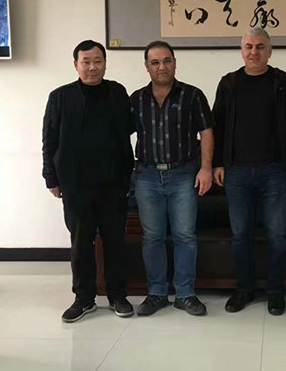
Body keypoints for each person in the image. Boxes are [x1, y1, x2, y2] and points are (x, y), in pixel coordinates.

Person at [212, 27, 286, 316]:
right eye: (249, 46)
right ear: (241, 51)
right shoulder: (228, 83)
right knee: (241, 234)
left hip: (275, 171)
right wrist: (217, 163)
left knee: (277, 234)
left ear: (270, 51)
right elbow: (217, 126)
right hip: (236, 172)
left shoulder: (283, 82)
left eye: (260, 46)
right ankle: (244, 290)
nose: (254, 52)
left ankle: (276, 292)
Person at [42, 39, 134, 323]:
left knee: (115, 240)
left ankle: (117, 295)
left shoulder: (118, 92)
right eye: (86, 62)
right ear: (76, 65)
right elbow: (49, 139)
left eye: (98, 61)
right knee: (81, 242)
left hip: (113, 183)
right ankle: (84, 298)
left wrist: (128, 176)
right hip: (75, 183)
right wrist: (51, 177)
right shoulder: (60, 97)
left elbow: (128, 132)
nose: (92, 67)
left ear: (105, 64)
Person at [131, 40, 214, 317]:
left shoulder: (193, 95)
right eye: (155, 62)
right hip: (147, 176)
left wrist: (206, 168)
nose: (162, 67)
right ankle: (156, 293)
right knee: (152, 237)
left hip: (183, 175)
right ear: (147, 67)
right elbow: (118, 134)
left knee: (185, 236)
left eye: (166, 60)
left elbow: (207, 132)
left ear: (175, 63)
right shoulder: (136, 99)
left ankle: (185, 294)